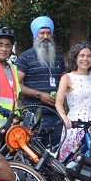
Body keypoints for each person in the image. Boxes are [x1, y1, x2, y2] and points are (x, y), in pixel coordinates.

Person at [16, 16, 66, 148]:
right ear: (35, 35)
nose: (46, 36)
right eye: (42, 33)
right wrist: (39, 95)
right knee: (34, 156)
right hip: (35, 116)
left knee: (54, 155)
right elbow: (16, 85)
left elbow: (64, 82)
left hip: (56, 115)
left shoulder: (59, 57)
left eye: (48, 33)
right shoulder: (25, 57)